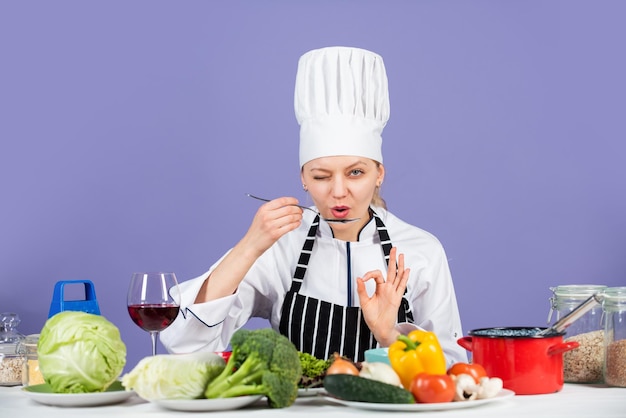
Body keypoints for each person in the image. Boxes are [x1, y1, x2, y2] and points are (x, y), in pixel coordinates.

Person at [160, 46, 468, 365]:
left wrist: (389, 336)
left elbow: (450, 370)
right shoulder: (281, 246)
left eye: (356, 173)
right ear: (304, 178)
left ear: (379, 174)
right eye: (321, 176)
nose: (338, 192)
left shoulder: (421, 250)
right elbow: (186, 343)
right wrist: (249, 247)